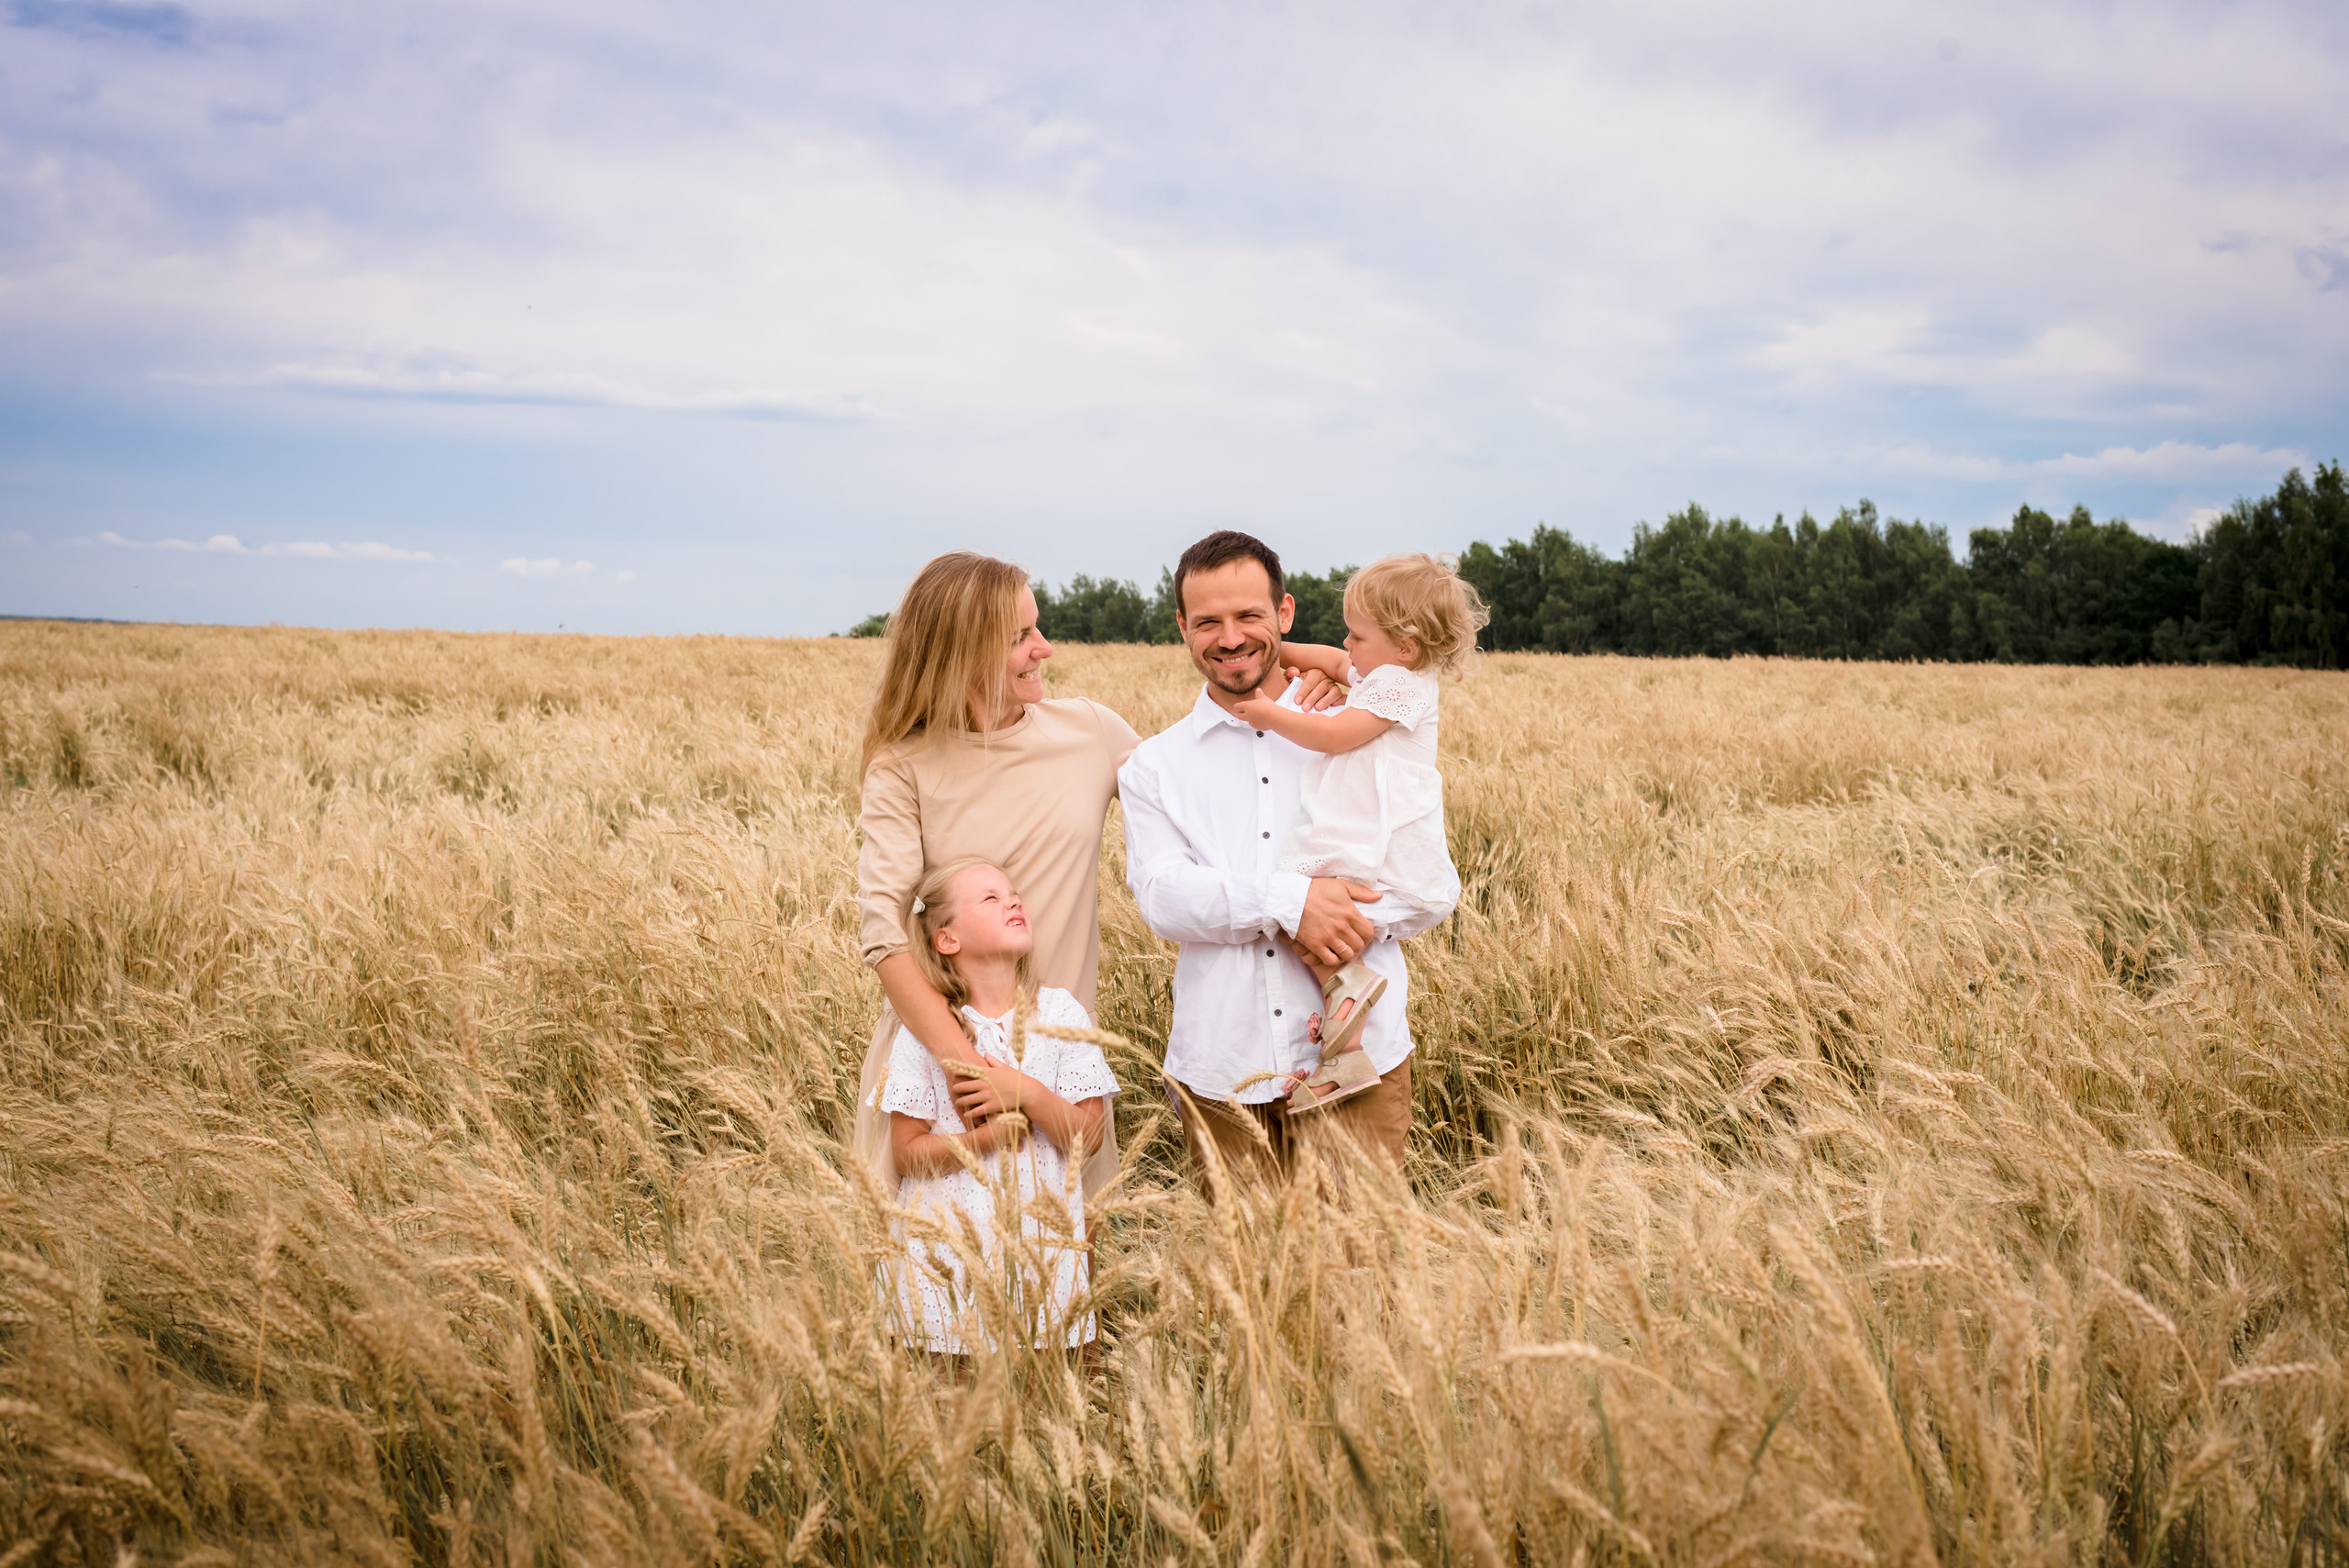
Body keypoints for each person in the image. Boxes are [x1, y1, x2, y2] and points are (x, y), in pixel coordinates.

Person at [1118, 531, 1462, 1195]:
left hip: (1364, 1067)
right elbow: (1166, 899)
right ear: (1182, 627)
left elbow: (1416, 878)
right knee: (1246, 1285)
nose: (1230, 637)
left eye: (1249, 615)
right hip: (1224, 1071)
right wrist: (1292, 901)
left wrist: (1333, 907)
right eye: (1209, 621)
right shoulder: (1155, 765)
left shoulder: (1356, 727)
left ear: (1285, 614)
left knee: (1359, 1281)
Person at [850, 551, 1140, 1203]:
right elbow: (883, 934)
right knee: (932, 1291)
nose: (1046, 648)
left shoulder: (1091, 732)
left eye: (1037, 628)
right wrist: (963, 1066)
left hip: (1061, 1076)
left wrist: (1310, 672)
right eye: (1020, 638)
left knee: (1062, 1291)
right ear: (962, 652)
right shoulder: (904, 764)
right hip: (937, 1072)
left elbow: (1205, 796)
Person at [1230, 552, 1486, 1112]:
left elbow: (1337, 735)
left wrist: (1272, 715)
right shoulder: (1386, 671)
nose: (1345, 646)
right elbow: (1327, 657)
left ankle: (1347, 987)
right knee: (1302, 910)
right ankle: (1344, 1035)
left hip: (1375, 840)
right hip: (1358, 832)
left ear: (1407, 646)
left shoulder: (1402, 687)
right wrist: (1273, 646)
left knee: (1295, 903)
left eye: (1356, 635)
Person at [866, 859, 1119, 1354]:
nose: (1013, 900)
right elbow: (907, 1154)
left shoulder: (1061, 1013)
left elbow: (1089, 1138)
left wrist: (1025, 1092)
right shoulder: (927, 1032)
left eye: (1013, 893)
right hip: (945, 1268)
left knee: (1047, 1410)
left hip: (1043, 1264)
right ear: (947, 939)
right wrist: (985, 1139)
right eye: (990, 898)